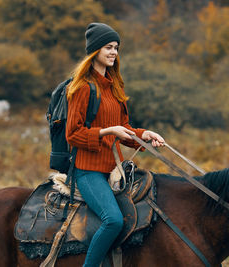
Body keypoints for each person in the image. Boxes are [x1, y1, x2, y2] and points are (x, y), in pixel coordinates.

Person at [65, 22, 165, 267]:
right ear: (95, 50)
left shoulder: (114, 86)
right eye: (108, 47)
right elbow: (73, 134)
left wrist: (145, 134)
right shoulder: (82, 88)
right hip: (88, 171)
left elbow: (124, 128)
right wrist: (107, 131)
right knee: (114, 220)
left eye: (116, 48)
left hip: (113, 169)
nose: (113, 52)